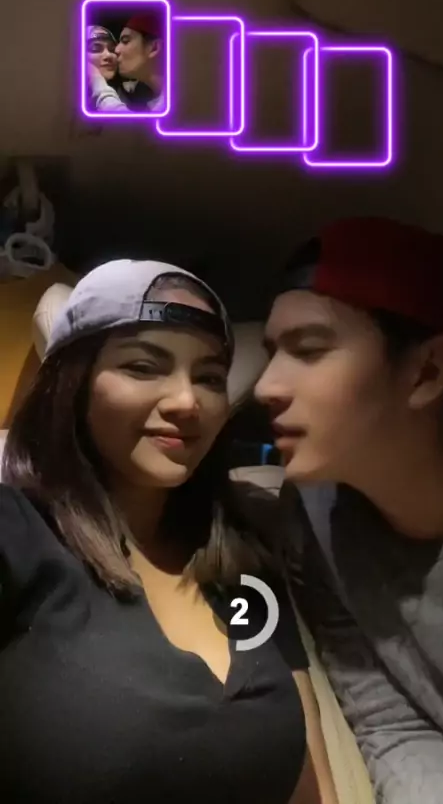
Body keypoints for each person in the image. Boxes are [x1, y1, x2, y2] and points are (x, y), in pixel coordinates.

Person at [0, 258, 338, 804]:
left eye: (209, 378)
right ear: (73, 385)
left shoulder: (244, 573)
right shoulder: (15, 536)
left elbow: (312, 784)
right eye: (143, 366)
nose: (187, 401)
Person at [255, 217, 443, 803]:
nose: (264, 387)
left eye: (309, 350)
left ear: (427, 371)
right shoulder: (310, 523)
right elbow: (392, 724)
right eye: (272, 353)